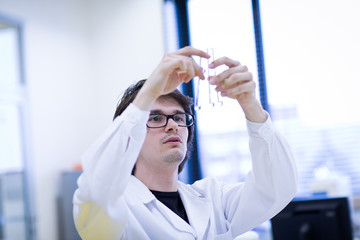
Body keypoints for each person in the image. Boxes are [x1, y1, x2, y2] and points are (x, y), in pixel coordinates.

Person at [73, 46, 298, 240]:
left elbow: (277, 187)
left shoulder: (212, 198)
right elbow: (95, 190)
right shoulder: (116, 207)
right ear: (132, 135)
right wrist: (149, 91)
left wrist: (251, 105)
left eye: (179, 118)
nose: (173, 126)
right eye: (155, 118)